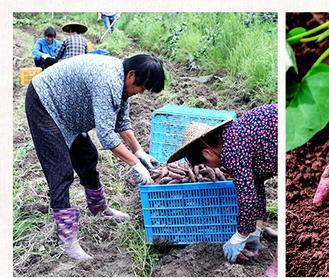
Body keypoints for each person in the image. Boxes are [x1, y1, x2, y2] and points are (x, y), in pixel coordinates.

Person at [25, 53, 164, 261]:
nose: (140, 93)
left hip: (68, 113)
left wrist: (139, 152)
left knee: (87, 156)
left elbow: (121, 123)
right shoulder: (108, 80)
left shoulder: (123, 84)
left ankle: (99, 208)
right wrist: (136, 165)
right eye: (141, 88)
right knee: (61, 172)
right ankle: (68, 239)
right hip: (44, 103)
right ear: (131, 75)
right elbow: (107, 136)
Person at [167, 104, 278, 264]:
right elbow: (255, 184)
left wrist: (240, 235)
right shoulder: (232, 136)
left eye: (207, 164)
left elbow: (247, 197)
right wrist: (256, 229)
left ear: (207, 152)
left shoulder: (232, 151)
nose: (212, 167)